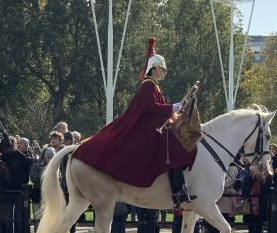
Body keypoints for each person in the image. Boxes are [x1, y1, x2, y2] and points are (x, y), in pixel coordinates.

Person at [72, 39, 197, 206]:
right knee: (175, 147)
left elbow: (156, 110)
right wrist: (171, 108)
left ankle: (178, 188)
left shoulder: (154, 86)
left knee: (175, 145)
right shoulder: (147, 85)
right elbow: (149, 108)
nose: (165, 73)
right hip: (144, 129)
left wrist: (173, 113)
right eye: (163, 70)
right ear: (155, 69)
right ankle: (178, 190)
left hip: (153, 127)